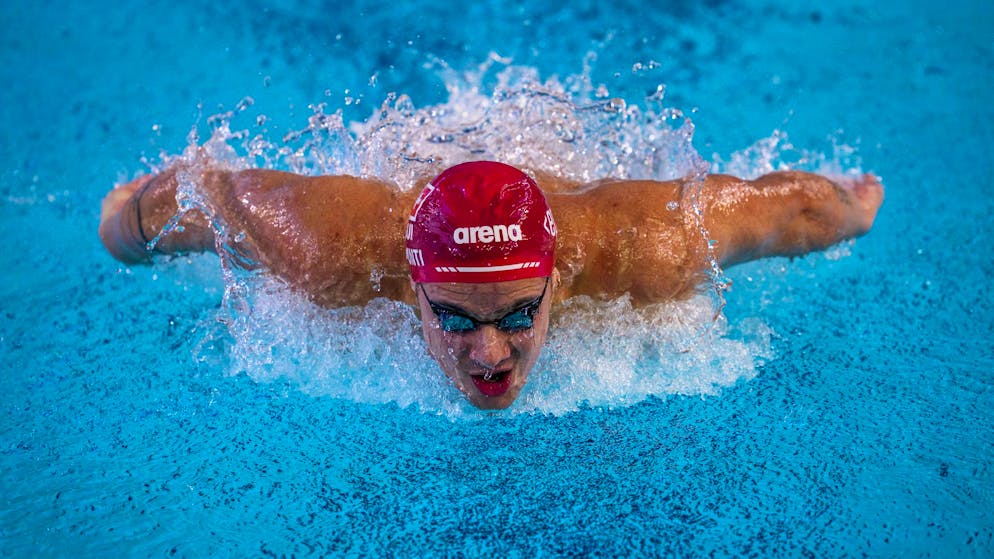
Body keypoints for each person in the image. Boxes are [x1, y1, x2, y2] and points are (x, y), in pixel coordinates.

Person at [99, 159, 883, 409]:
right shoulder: (329, 252)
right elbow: (209, 193)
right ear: (411, 287)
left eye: (517, 313)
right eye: (454, 317)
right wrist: (125, 226)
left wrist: (856, 209)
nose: (490, 353)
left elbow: (796, 210)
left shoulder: (641, 248)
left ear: (555, 276)